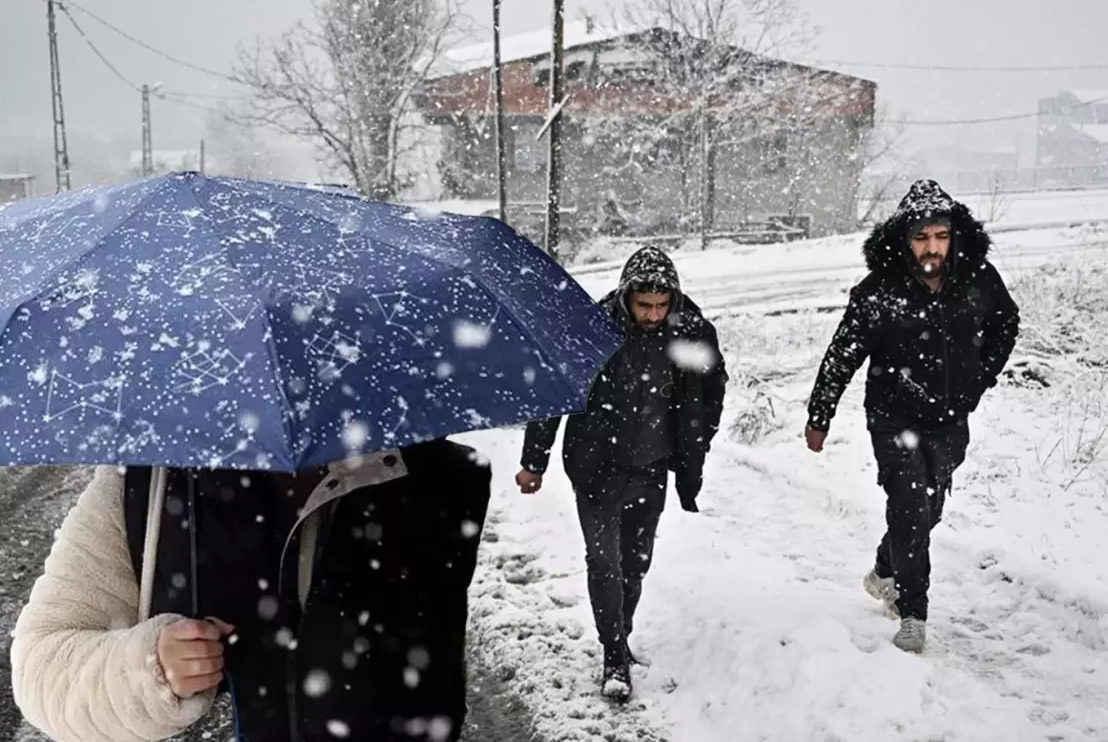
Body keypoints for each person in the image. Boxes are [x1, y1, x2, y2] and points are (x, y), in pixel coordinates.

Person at [10, 439, 491, 742]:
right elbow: (42, 663)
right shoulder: (147, 480)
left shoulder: (438, 478)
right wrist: (149, 668)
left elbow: (437, 670)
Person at [804, 179, 1020, 655]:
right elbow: (843, 353)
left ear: (953, 237)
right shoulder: (879, 290)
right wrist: (820, 413)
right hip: (891, 416)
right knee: (908, 507)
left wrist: (980, 377)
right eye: (921, 238)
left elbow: (1007, 324)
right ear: (904, 239)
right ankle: (913, 613)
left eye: (940, 236)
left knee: (929, 507)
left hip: (949, 417)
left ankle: (885, 570)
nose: (932, 247)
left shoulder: (977, 277)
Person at [514, 246, 727, 703]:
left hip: (652, 467)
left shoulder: (690, 330)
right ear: (628, 296)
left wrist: (697, 442)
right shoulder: (591, 329)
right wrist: (535, 461)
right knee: (603, 562)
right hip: (596, 467)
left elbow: (712, 389)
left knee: (636, 563)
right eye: (643, 305)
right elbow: (554, 392)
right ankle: (613, 654)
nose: (652, 314)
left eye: (660, 305)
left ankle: (621, 632)